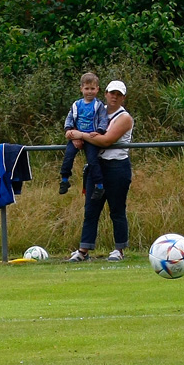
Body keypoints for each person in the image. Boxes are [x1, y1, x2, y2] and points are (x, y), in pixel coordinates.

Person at [65, 80, 134, 262]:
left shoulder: (124, 117)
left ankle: (119, 249)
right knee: (91, 209)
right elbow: (78, 124)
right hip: (96, 166)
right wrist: (73, 135)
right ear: (105, 93)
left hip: (117, 166)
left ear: (123, 98)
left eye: (119, 94)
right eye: (112, 93)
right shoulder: (96, 108)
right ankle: (84, 250)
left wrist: (82, 135)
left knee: (117, 210)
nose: (114, 97)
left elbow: (105, 140)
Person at [60, 72, 109, 200]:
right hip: (76, 135)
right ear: (81, 88)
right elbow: (70, 118)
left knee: (92, 161)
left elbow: (104, 120)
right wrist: (69, 130)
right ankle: (64, 179)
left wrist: (99, 131)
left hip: (91, 137)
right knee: (68, 156)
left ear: (97, 89)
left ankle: (99, 186)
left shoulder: (99, 106)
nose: (89, 92)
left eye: (92, 89)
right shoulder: (76, 105)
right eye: (87, 88)